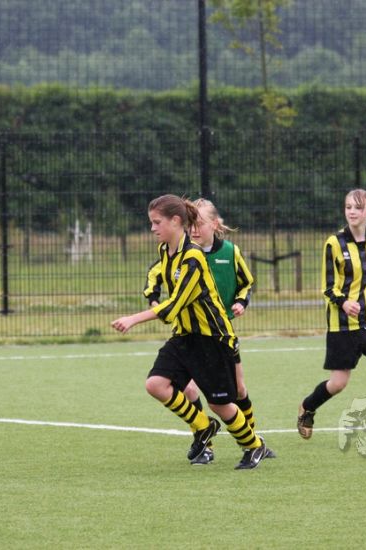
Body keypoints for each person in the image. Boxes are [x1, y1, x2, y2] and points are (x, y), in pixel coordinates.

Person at [112, 194, 267, 469]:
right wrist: (151, 295)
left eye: (157, 222)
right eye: (151, 222)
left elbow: (175, 305)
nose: (152, 228)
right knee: (155, 384)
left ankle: (254, 446)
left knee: (221, 405)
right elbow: (159, 285)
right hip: (184, 336)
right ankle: (204, 427)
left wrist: (133, 319)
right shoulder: (165, 251)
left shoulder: (193, 258)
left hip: (212, 339)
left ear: (175, 221)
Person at [296, 189, 366, 446]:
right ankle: (307, 407)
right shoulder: (334, 243)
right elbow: (328, 287)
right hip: (342, 324)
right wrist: (344, 302)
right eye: (348, 207)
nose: (352, 212)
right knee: (338, 383)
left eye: (358, 207)